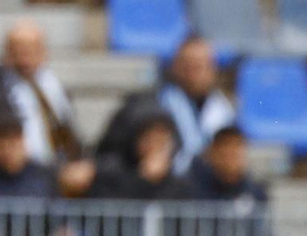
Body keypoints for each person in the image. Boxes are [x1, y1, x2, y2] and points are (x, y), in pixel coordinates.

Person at [100, 36, 236, 177]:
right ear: (175, 66)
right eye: (188, 66)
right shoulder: (152, 106)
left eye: (201, 66)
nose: (194, 73)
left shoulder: (223, 110)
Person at [0, 19, 82, 167]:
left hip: (58, 164)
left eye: (32, 51)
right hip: (16, 167)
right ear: (7, 54)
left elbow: (67, 127)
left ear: (43, 52)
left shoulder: (51, 83)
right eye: (19, 52)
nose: (25, 59)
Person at [0, 109, 56, 197]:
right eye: (1, 146)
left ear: (22, 141)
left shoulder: (43, 176)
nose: (8, 152)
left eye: (13, 144)